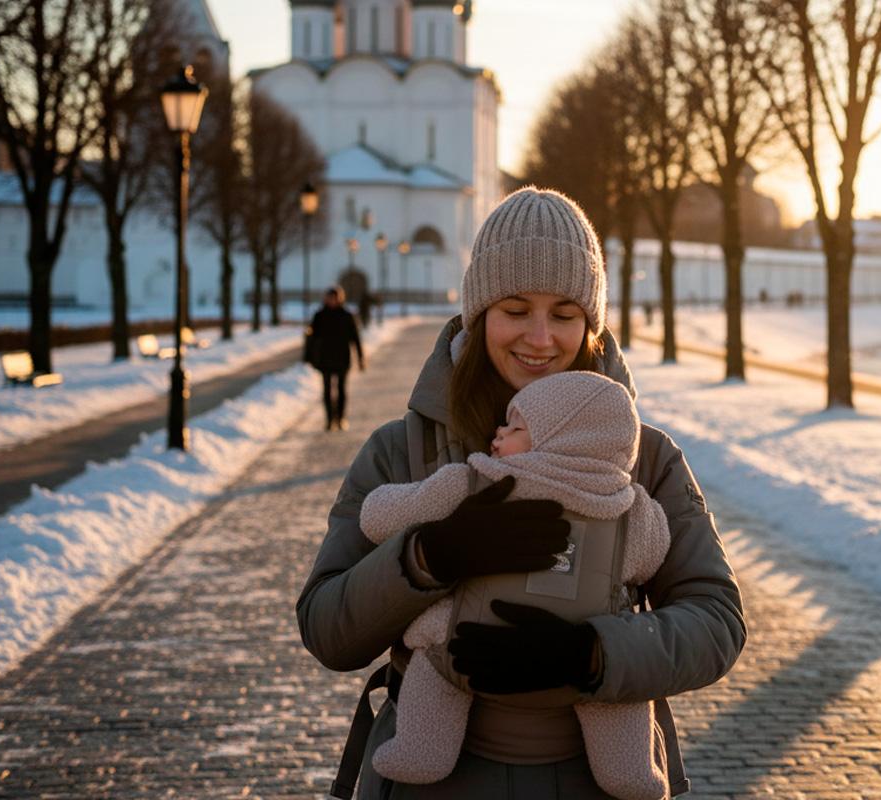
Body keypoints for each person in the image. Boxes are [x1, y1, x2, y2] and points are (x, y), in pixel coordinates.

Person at [297, 187, 746, 799]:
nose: (540, 339)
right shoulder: (401, 452)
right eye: (515, 308)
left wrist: (591, 654)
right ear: (480, 313)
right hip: (432, 783)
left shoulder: (645, 460)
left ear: (591, 324)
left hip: (593, 782)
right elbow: (327, 627)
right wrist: (428, 558)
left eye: (564, 314)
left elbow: (716, 622)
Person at [359, 370, 671, 800]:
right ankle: (630, 771)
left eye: (516, 427)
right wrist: (437, 549)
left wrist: (402, 517)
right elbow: (651, 557)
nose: (498, 433)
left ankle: (421, 752)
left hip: (476, 636)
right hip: (589, 638)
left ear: (563, 441)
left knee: (436, 656)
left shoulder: (470, 483)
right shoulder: (630, 511)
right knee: (616, 698)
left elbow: (379, 516)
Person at [305, 286, 365, 430]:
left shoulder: (347, 315)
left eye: (334, 297)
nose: (332, 300)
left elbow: (355, 338)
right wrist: (308, 357)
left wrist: (360, 357)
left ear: (340, 298)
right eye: (329, 297)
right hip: (324, 358)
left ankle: (341, 417)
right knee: (326, 390)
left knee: (341, 389)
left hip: (342, 358)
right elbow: (311, 338)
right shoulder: (319, 315)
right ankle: (329, 419)